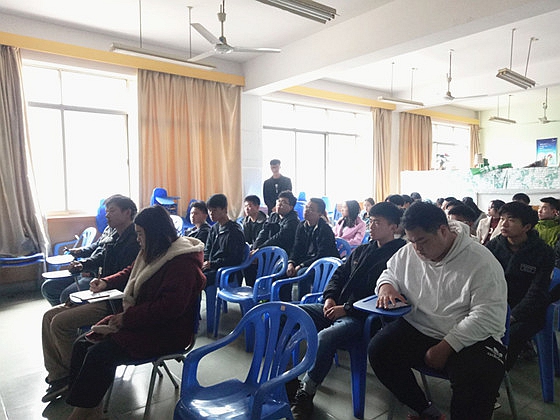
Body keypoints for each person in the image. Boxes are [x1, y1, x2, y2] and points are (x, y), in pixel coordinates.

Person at [368, 201, 507, 420]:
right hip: (422, 327)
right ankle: (427, 411)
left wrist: (446, 346)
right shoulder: (411, 251)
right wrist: (386, 286)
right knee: (379, 350)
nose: (417, 249)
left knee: (480, 377)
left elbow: (487, 316)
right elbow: (390, 272)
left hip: (472, 337)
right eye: (411, 241)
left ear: (443, 231)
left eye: (422, 241)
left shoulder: (481, 261)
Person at [65, 205, 206, 419]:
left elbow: (169, 308)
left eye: (140, 234)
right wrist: (106, 282)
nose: (138, 239)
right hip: (144, 321)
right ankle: (90, 409)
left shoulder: (182, 263)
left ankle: (81, 414)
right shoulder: (155, 251)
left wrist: (126, 318)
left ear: (155, 233)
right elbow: (131, 272)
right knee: (83, 344)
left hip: (167, 332)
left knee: (99, 353)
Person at [291, 202, 406, 419]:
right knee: (289, 313)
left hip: (361, 317)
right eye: (370, 221)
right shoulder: (363, 249)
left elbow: (378, 298)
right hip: (335, 307)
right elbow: (339, 275)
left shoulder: (399, 257)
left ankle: (306, 392)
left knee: (326, 337)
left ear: (393, 227)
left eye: (377, 222)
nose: (371, 226)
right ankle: (288, 381)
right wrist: (329, 298)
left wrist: (346, 308)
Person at [486, 201, 553, 370]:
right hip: (496, 303)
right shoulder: (494, 246)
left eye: (511, 220)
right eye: (502, 219)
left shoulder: (543, 252)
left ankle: (499, 371)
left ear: (527, 227)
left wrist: (513, 316)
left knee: (513, 333)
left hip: (528, 309)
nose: (504, 224)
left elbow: (537, 292)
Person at [41, 195, 140, 306]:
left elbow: (121, 271)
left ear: (127, 212)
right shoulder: (113, 231)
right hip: (95, 273)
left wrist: (92, 271)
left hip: (107, 281)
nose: (107, 215)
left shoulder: (135, 239)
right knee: (48, 287)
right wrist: (82, 264)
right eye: (107, 211)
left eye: (112, 211)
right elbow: (100, 253)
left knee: (67, 295)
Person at [285, 198, 339, 301]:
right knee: (284, 269)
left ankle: (303, 303)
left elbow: (322, 254)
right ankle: (285, 302)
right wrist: (291, 263)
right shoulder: (301, 226)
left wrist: (301, 265)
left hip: (323, 264)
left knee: (302, 273)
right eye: (306, 207)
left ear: (320, 214)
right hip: (307, 260)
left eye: (311, 209)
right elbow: (296, 247)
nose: (307, 210)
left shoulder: (325, 229)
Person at [202, 194, 246, 288]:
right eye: (209, 210)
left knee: (197, 280)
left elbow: (235, 259)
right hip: (212, 268)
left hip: (227, 272)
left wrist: (212, 264)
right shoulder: (214, 228)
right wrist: (204, 262)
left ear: (224, 209)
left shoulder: (234, 231)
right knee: (190, 274)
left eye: (214, 210)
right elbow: (207, 249)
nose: (211, 213)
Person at [253, 190, 299, 255]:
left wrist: (260, 249)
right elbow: (264, 231)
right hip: (269, 248)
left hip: (283, 252)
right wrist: (255, 248)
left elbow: (278, 238)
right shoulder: (273, 216)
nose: (279, 204)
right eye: (279, 201)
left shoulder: (293, 220)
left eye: (284, 202)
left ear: (291, 207)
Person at [242, 195, 268, 286]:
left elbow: (262, 240)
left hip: (263, 251)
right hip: (251, 252)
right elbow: (245, 240)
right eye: (245, 206)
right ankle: (250, 288)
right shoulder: (246, 221)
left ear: (257, 207)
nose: (247, 209)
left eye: (249, 206)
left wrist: (255, 251)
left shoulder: (265, 221)